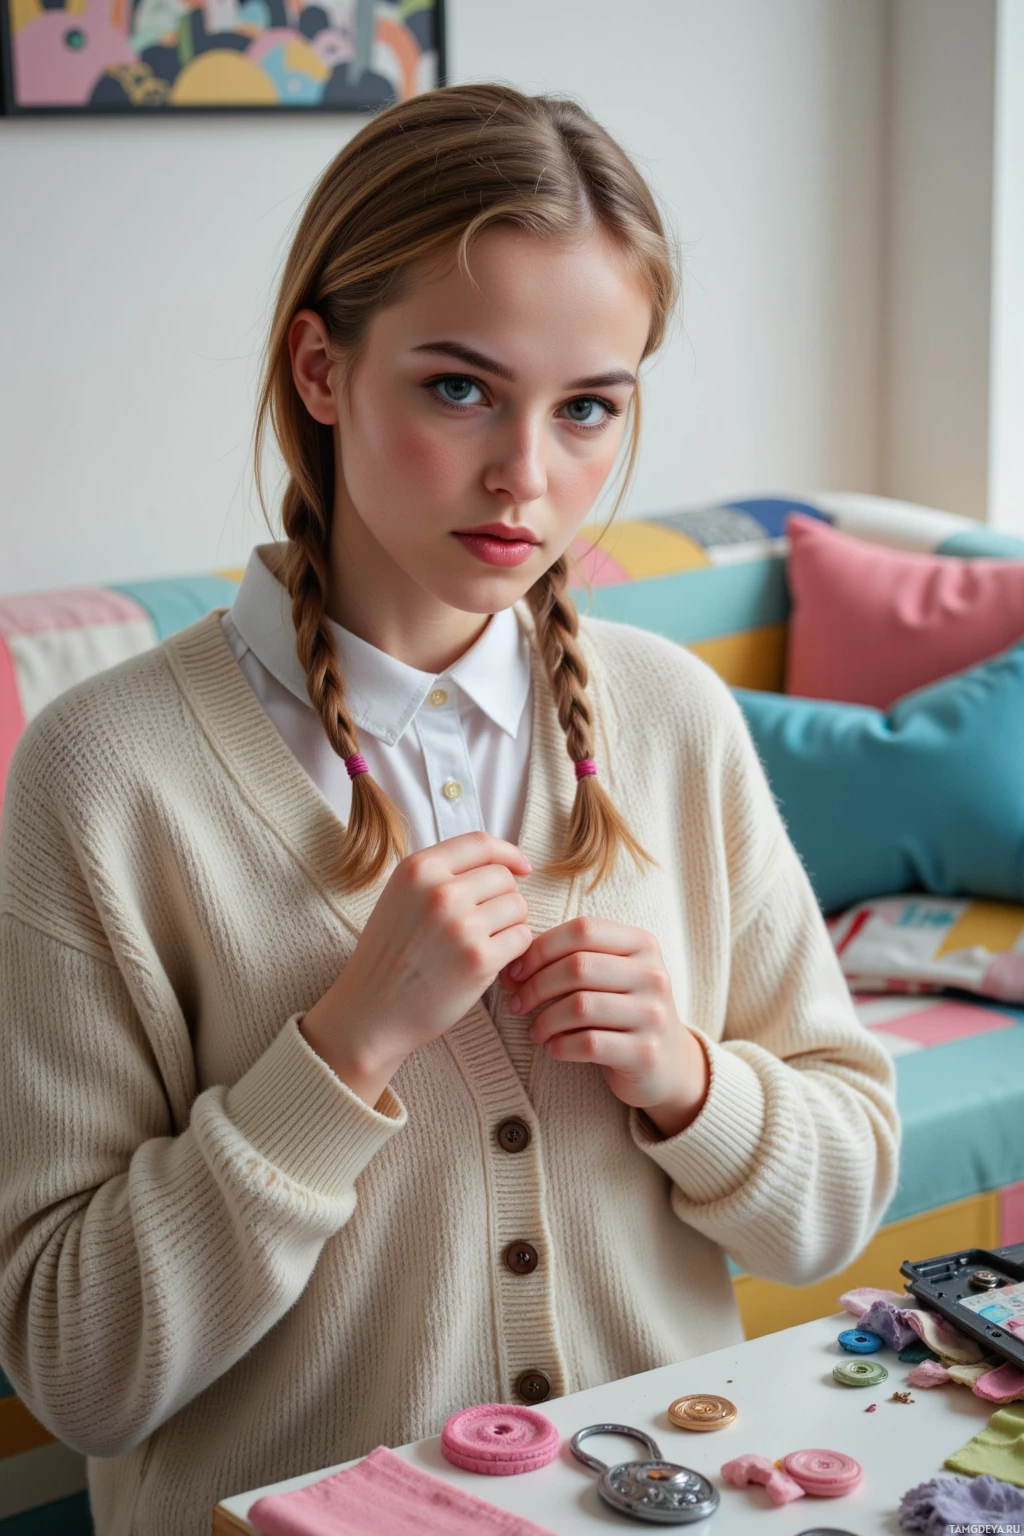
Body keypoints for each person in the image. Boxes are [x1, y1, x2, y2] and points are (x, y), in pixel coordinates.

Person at [0, 82, 899, 1536]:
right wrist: (343, 1051)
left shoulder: (671, 718)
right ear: (319, 367)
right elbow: (75, 1366)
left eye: (589, 409)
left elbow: (838, 1200)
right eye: (460, 386)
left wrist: (685, 1077)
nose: (528, 480)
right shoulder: (105, 776)